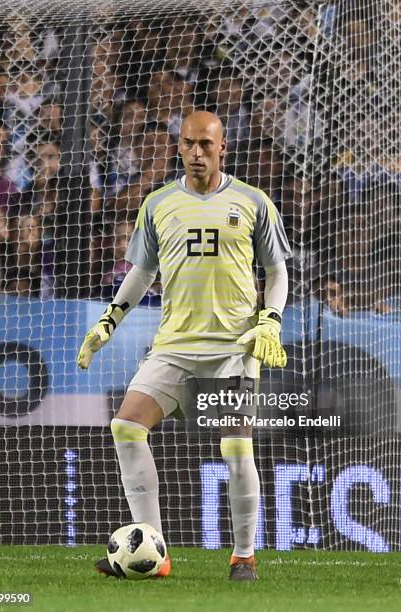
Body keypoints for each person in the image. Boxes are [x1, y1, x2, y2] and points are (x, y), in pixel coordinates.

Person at [77, 111, 291, 581]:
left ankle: (243, 556)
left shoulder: (253, 202)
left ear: (223, 147)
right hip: (173, 345)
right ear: (179, 147)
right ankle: (153, 554)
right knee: (126, 427)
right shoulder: (157, 204)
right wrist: (109, 320)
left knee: (236, 450)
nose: (197, 153)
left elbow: (277, 272)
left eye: (206, 145)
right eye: (189, 144)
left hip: (233, 349)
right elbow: (143, 271)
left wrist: (270, 321)